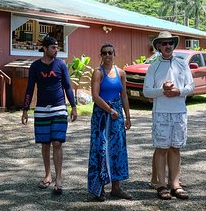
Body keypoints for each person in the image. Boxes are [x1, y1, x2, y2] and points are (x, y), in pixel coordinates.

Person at [21, 35, 77, 196]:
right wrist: (25, 109)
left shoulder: (61, 65)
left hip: (59, 108)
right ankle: (48, 175)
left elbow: (67, 86)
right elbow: (30, 88)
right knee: (45, 144)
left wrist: (73, 107)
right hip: (41, 110)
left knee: (57, 143)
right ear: (45, 49)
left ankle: (58, 179)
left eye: (57, 47)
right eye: (53, 47)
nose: (56, 50)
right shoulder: (35, 66)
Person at [143, 31, 194, 200]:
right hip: (161, 112)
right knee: (161, 148)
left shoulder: (182, 64)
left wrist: (179, 91)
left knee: (175, 147)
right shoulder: (154, 66)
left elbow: (191, 87)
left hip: (179, 111)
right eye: (164, 43)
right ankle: (161, 184)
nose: (167, 46)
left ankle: (175, 184)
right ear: (158, 46)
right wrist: (162, 90)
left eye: (170, 43)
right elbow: (146, 91)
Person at [87, 43, 132, 201]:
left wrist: (127, 116)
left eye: (110, 53)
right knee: (101, 149)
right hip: (102, 116)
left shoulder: (120, 73)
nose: (107, 56)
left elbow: (124, 95)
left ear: (115, 54)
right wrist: (109, 110)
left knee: (117, 150)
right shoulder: (97, 73)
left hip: (116, 116)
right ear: (101, 55)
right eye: (104, 53)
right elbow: (95, 96)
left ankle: (116, 187)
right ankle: (98, 188)